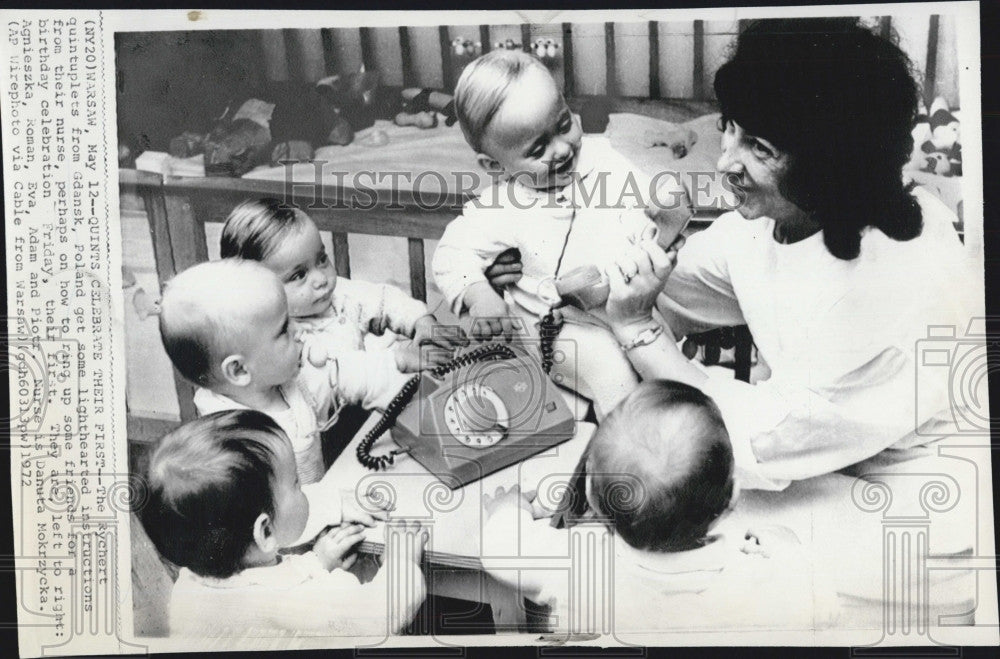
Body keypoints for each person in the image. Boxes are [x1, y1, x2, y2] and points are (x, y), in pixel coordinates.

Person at [485, 18, 976, 490]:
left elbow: (745, 443)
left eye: (758, 147)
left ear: (829, 165)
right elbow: (658, 290)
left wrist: (639, 330)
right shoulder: (773, 222)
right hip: (813, 463)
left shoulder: (882, 291)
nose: (723, 163)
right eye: (729, 127)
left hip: (908, 494)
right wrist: (530, 266)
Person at [432, 48, 687, 418]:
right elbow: (451, 255)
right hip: (557, 326)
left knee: (664, 361)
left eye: (565, 124)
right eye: (538, 148)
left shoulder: (600, 156)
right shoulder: (501, 206)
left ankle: (676, 444)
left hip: (621, 304)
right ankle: (625, 460)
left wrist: (665, 206)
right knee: (615, 378)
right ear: (494, 165)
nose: (563, 149)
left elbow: (645, 193)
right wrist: (480, 296)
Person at [479, 381, 827, 632]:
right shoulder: (769, 581)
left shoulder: (579, 564)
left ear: (593, 496)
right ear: (733, 496)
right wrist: (787, 547)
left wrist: (508, 508)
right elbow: (823, 610)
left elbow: (502, 549)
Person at [142, 409, 428, 637]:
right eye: (296, 483)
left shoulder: (193, 580)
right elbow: (382, 615)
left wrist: (317, 563)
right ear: (265, 531)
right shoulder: (301, 602)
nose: (304, 488)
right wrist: (402, 562)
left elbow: (271, 585)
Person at [158, 259, 407, 486]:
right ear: (239, 370)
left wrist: (404, 365)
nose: (300, 330)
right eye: (283, 329)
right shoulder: (233, 448)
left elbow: (349, 372)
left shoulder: (286, 379)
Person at [221, 197, 468, 375]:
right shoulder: (280, 342)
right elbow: (340, 371)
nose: (320, 278)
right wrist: (399, 360)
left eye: (321, 259)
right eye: (298, 275)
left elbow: (383, 299)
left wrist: (420, 322)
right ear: (256, 292)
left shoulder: (339, 295)